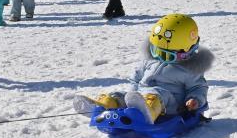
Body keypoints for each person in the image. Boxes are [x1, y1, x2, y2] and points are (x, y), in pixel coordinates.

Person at [73, 13, 212, 124]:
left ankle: (146, 112)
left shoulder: (190, 69)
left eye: (166, 55)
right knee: (118, 95)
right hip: (140, 96)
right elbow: (136, 78)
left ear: (186, 51)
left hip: (169, 106)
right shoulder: (151, 60)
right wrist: (130, 97)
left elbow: (198, 88)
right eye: (156, 51)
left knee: (156, 95)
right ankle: (102, 106)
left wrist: (194, 100)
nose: (159, 56)